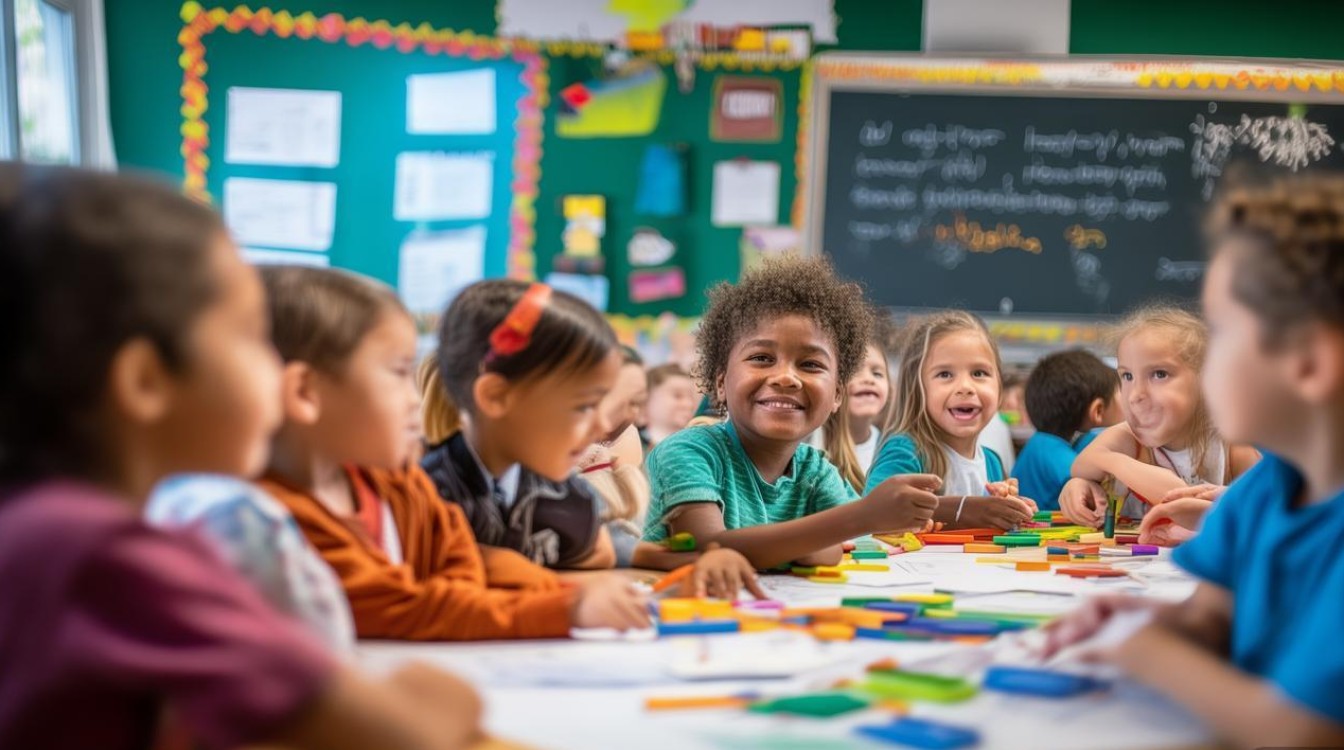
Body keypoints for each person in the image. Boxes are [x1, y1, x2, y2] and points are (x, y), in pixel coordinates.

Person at [0, 164, 481, 750]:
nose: (278, 374)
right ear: (146, 381)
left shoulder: (37, 528)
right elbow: (401, 733)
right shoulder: (101, 556)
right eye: (254, 337)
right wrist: (444, 693)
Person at [1042, 175, 1344, 748]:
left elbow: (1302, 730)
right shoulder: (1265, 491)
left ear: (1308, 363)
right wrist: (1142, 622)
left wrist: (1142, 652)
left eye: (1225, 333)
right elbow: (1211, 618)